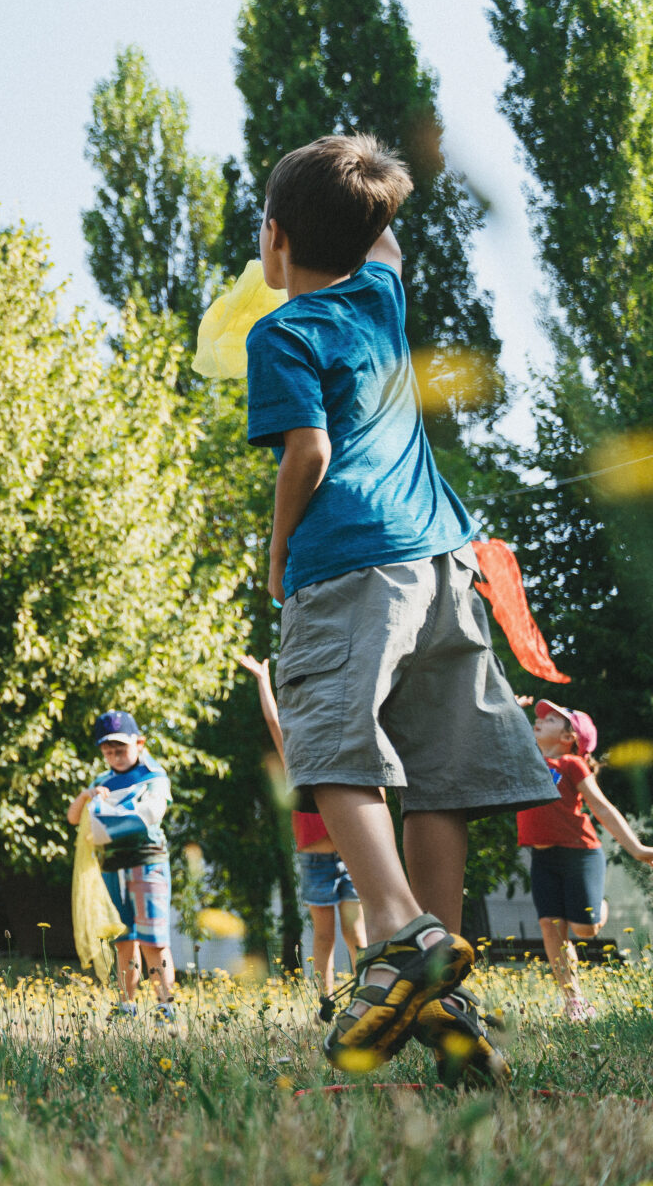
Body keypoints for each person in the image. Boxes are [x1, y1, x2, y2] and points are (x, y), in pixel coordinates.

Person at [246, 133, 558, 1084]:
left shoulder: (284, 334)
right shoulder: (380, 295)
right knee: (438, 772)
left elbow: (310, 454)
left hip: (349, 562)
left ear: (275, 239)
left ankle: (398, 929)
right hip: (440, 562)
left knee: (329, 737)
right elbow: (380, 241)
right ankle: (444, 992)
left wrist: (278, 553)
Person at [515, 697, 653, 1019]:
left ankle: (598, 905)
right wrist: (510, 705)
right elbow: (503, 732)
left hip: (580, 854)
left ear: (568, 738)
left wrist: (638, 849)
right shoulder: (527, 759)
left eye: (551, 719)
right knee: (551, 926)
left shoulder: (572, 765)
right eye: (542, 716)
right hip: (543, 858)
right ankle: (574, 1001)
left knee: (584, 929)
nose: (541, 719)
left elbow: (602, 807)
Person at [237, 653, 367, 995]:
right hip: (315, 861)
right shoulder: (296, 762)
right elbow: (274, 722)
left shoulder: (346, 759)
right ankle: (325, 1000)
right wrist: (264, 679)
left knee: (357, 935)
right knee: (323, 935)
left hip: (350, 858)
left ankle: (366, 994)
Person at [67, 710, 174, 1020]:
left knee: (153, 939)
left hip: (147, 861)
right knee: (123, 939)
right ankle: (127, 1005)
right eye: (108, 750)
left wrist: (116, 815)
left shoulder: (153, 776)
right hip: (113, 867)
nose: (115, 756)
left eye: (121, 748)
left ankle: (165, 1006)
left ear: (139, 743)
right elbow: (74, 818)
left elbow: (153, 812)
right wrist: (87, 796)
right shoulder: (101, 781)